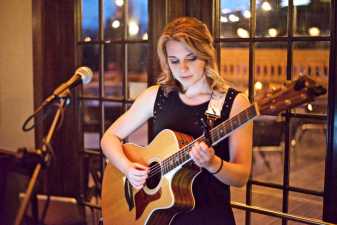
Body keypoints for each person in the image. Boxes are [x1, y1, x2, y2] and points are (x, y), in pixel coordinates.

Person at [101, 16, 252, 225]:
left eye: (191, 58)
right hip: (158, 219)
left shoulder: (233, 102)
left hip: (210, 218)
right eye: (174, 61)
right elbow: (109, 138)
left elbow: (241, 176)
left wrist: (212, 163)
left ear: (206, 55)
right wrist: (128, 169)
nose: (182, 68)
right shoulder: (157, 96)